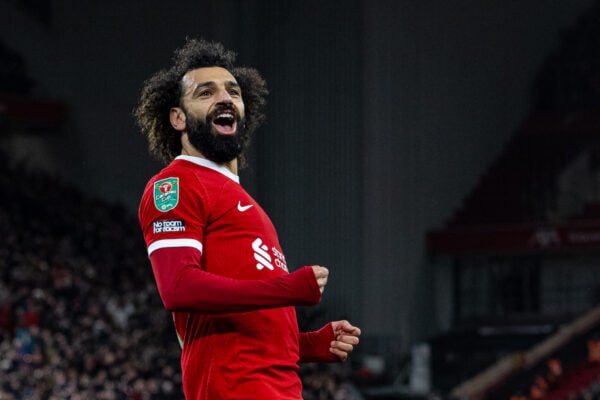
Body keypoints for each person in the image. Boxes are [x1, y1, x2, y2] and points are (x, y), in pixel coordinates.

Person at [133, 38, 361, 400]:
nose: (224, 98)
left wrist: (308, 345)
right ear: (178, 117)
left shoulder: (243, 200)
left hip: (279, 388)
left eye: (233, 91)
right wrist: (289, 289)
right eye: (205, 92)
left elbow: (243, 325)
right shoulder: (176, 183)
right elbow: (178, 287)